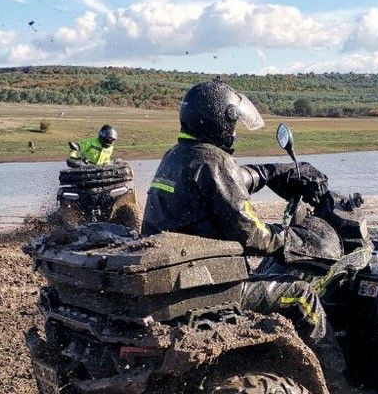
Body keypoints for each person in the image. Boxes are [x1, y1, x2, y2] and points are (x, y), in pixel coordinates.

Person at [143, 79, 343, 360]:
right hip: (210, 288)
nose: (235, 132)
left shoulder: (176, 155)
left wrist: (271, 172)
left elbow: (224, 184)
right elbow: (252, 235)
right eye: (234, 123)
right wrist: (297, 239)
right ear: (219, 120)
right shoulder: (214, 161)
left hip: (179, 283)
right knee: (302, 295)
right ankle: (338, 384)